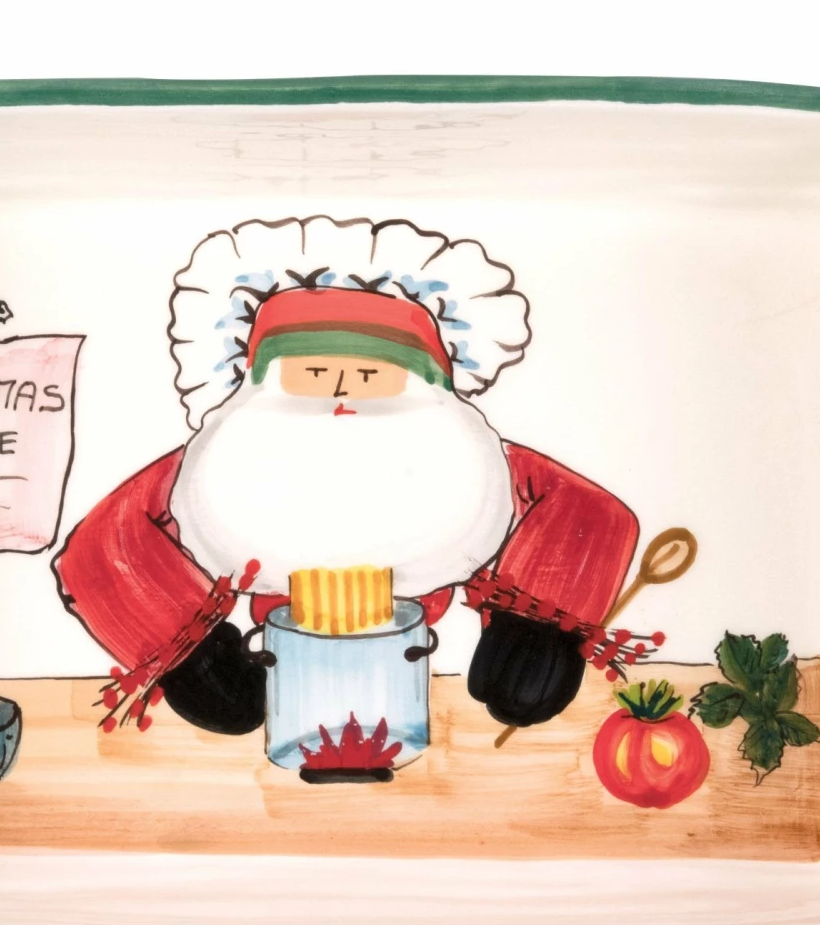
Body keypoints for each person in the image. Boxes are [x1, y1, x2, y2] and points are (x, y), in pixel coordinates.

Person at [53, 216, 638, 735]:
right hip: (284, 654)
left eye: (370, 376)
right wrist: (196, 657)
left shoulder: (471, 461)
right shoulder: (211, 466)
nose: (340, 391)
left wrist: (534, 632)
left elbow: (588, 514)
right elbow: (106, 547)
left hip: (404, 662)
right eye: (311, 374)